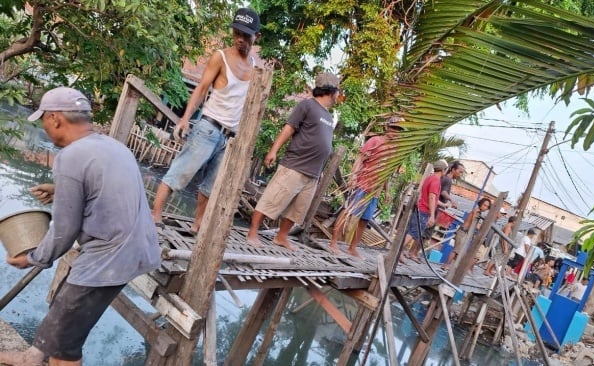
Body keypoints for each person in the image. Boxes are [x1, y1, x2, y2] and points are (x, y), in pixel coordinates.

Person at [0, 87, 161, 366]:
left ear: (55, 119)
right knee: (64, 306)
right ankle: (31, 356)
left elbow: (64, 230)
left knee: (64, 349)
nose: (45, 127)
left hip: (109, 257)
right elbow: (104, 193)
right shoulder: (113, 147)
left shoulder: (70, 157)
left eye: (43, 121)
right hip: (138, 249)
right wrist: (60, 190)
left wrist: (33, 258)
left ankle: (41, 358)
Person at [151, 8, 261, 235]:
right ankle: (155, 214)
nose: (240, 39)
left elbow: (252, 107)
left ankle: (197, 224)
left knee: (209, 187)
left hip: (230, 136)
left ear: (255, 37)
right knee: (180, 173)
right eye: (237, 33)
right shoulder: (220, 57)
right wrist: (185, 119)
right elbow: (201, 89)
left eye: (246, 35)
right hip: (208, 128)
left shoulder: (257, 70)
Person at [246, 72, 340, 250]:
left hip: (313, 173)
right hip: (295, 166)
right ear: (331, 90)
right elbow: (289, 128)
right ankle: (252, 232)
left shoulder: (329, 116)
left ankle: (281, 237)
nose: (339, 94)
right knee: (272, 199)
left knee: (297, 210)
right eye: (338, 90)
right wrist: (273, 150)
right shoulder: (307, 105)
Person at [328, 117, 402, 257]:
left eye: (398, 129)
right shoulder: (375, 141)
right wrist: (354, 176)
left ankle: (352, 247)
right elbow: (360, 158)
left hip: (375, 191)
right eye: (394, 128)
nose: (395, 132)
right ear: (387, 127)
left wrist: (386, 191)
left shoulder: (394, 150)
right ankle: (333, 242)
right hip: (362, 184)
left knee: (365, 219)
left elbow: (387, 171)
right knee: (348, 212)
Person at [402, 159, 449, 262]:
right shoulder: (436, 181)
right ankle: (399, 252)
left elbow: (432, 197)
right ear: (443, 170)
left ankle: (399, 252)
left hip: (421, 208)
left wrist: (443, 204)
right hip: (424, 210)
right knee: (413, 233)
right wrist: (432, 215)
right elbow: (431, 197)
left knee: (413, 232)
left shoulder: (430, 178)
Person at [444, 197, 491, 268]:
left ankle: (452, 267)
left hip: (465, 233)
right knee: (456, 250)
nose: (485, 207)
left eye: (487, 206)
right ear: (480, 204)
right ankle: (446, 265)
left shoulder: (479, 213)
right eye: (484, 205)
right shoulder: (476, 211)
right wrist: (483, 227)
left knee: (459, 252)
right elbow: (474, 223)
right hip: (463, 232)